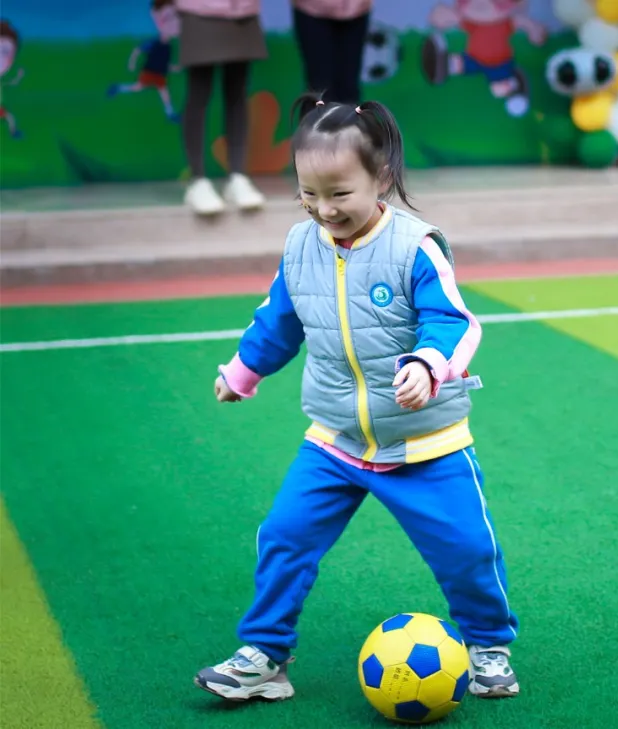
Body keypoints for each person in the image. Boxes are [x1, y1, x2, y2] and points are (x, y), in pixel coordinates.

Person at [193, 93, 520, 703]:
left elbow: (453, 322)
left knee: (468, 550)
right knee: (284, 537)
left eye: (340, 193)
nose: (323, 209)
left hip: (425, 442)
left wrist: (428, 364)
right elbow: (278, 323)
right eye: (307, 194)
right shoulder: (300, 247)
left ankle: (488, 643)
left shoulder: (415, 246)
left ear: (382, 177)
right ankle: (265, 654)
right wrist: (241, 372)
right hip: (336, 440)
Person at [176, 0, 268, 215]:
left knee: (237, 93)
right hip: (198, 9)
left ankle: (237, 177)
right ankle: (197, 181)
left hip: (242, 11)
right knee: (199, 93)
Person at [291, 0, 373, 105]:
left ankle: (350, 120)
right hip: (312, 9)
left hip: (357, 8)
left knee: (349, 90)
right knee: (319, 88)